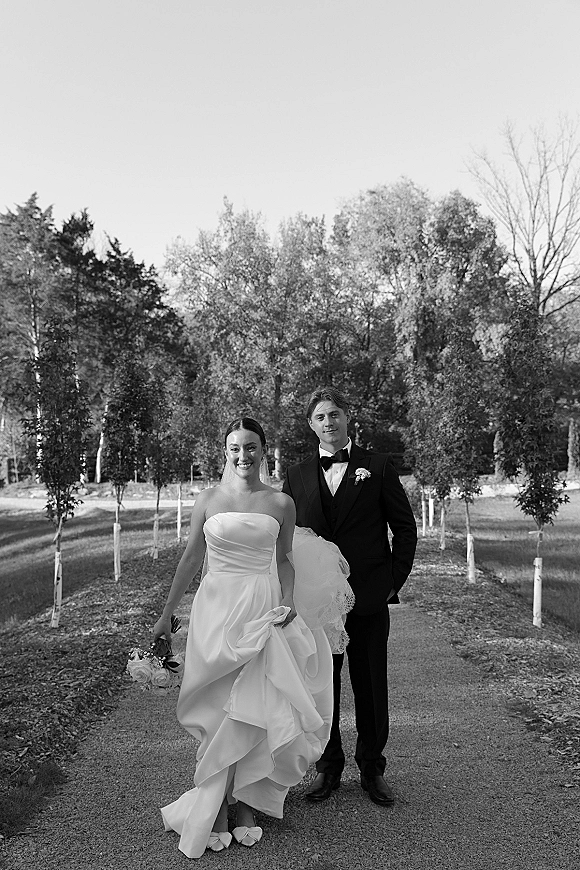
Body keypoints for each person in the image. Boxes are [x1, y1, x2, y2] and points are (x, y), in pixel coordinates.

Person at [152, 417, 335, 859]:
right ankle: (214, 808)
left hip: (262, 609)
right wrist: (165, 615)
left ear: (263, 449)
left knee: (255, 705)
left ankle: (247, 802)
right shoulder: (208, 500)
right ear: (225, 451)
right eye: (234, 447)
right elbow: (192, 557)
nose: (242, 455)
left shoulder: (280, 503)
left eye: (250, 447)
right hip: (216, 610)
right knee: (217, 707)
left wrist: (289, 596)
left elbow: (286, 560)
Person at [282, 386, 417, 807]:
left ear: (347, 417)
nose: (329, 422)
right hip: (318, 602)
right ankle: (328, 768)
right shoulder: (296, 474)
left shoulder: (377, 466)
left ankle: (372, 769)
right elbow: (288, 539)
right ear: (310, 424)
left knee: (371, 683)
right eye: (320, 416)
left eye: (335, 414)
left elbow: (405, 528)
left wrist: (393, 582)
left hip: (369, 596)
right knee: (323, 685)